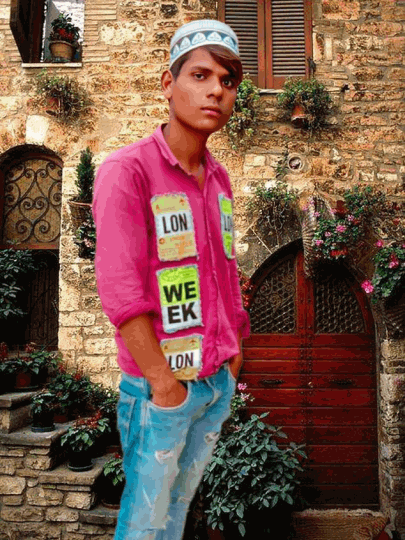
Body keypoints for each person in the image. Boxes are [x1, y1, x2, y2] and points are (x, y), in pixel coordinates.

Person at [92, 19, 250, 540]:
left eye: (227, 81)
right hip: (160, 390)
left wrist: (234, 350)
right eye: (200, 75)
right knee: (145, 526)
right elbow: (120, 290)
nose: (216, 91)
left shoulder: (219, 178)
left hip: (214, 383)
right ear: (168, 83)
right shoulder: (128, 171)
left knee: (175, 517)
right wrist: (163, 383)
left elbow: (224, 271)